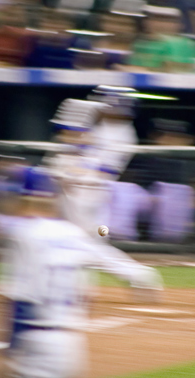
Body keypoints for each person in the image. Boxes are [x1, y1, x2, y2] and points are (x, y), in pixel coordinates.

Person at [0, 166, 150, 378]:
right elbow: (100, 241)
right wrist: (137, 274)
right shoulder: (71, 203)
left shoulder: (28, 230)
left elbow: (103, 229)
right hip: (71, 344)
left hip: (39, 336)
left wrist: (100, 231)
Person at [46, 96, 164, 303]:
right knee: (87, 247)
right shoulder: (73, 151)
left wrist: (69, 174)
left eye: (69, 131)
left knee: (87, 246)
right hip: (89, 209)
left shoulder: (101, 148)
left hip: (92, 211)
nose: (63, 135)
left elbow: (96, 173)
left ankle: (139, 274)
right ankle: (82, 289)